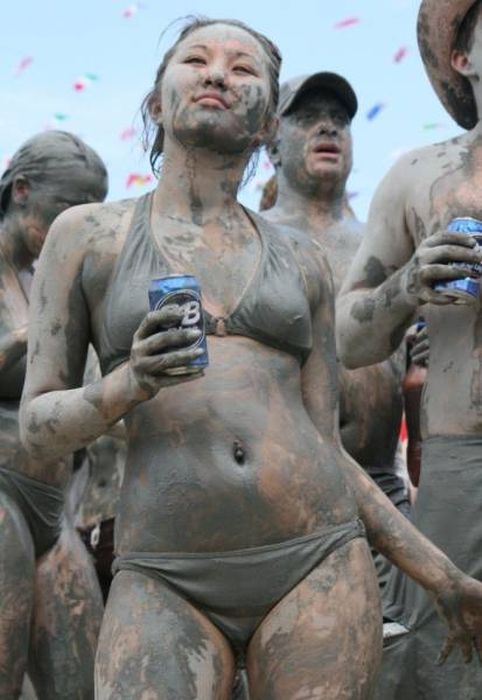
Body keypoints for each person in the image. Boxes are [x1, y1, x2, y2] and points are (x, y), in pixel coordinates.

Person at [18, 17, 482, 700]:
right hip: (165, 570)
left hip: (315, 559)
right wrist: (126, 384)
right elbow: (37, 428)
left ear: (267, 122)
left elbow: (327, 450)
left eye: (243, 69)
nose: (217, 74)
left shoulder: (303, 260)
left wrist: (443, 576)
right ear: (156, 102)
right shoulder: (88, 237)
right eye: (196, 60)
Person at [336, 0, 482, 696]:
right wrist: (406, 285)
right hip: (465, 466)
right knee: (452, 669)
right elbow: (347, 339)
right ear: (463, 58)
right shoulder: (419, 175)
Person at [261, 73, 410, 588]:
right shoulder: (249, 239)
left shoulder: (384, 246)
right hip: (280, 496)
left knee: (406, 633)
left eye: (340, 120)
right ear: (271, 145)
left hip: (383, 491)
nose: (328, 127)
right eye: (307, 118)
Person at [0, 130, 108, 699]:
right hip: (2, 494)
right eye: (69, 209)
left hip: (52, 507)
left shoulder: (50, 279)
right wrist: (24, 336)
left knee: (84, 683)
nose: (79, 226)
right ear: (22, 190)